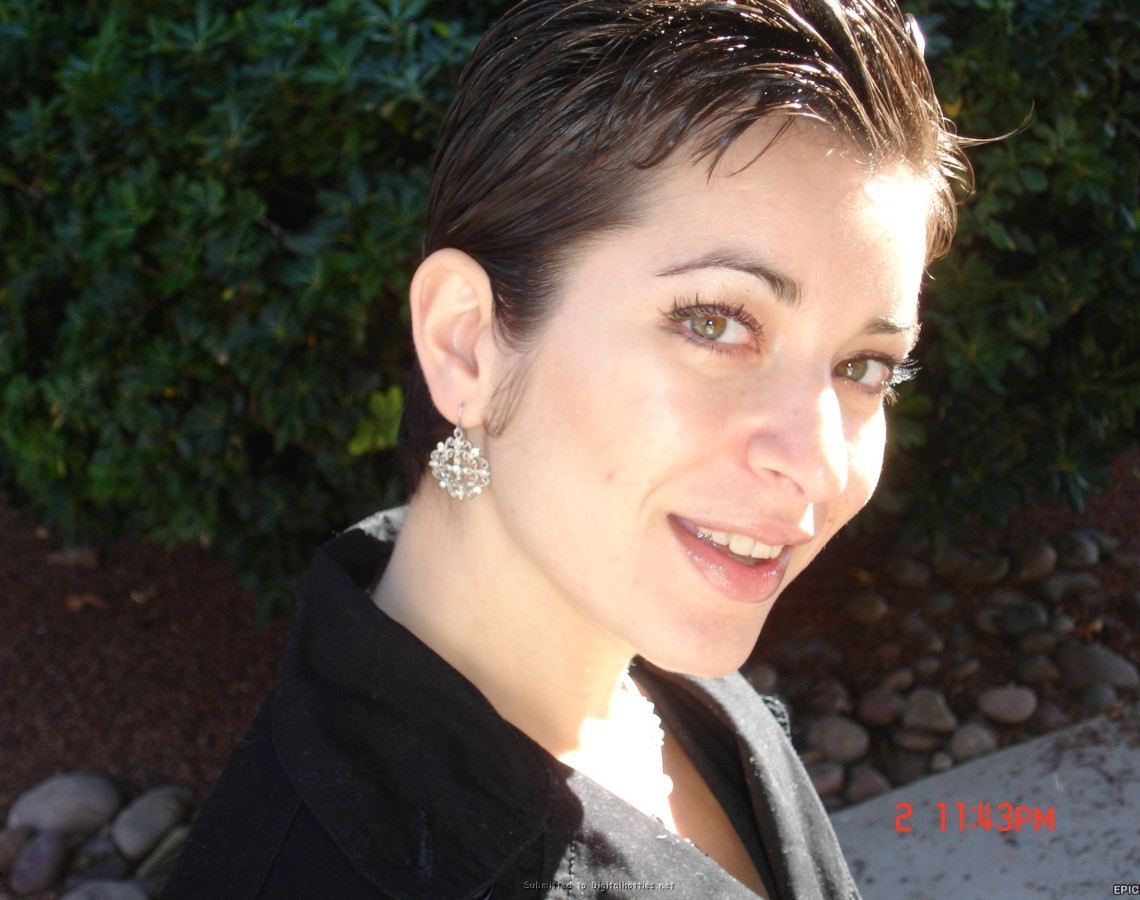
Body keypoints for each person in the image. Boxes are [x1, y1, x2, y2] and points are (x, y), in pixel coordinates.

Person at [165, 1, 969, 897]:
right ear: (466, 343)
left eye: (863, 366)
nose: (820, 465)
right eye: (715, 322)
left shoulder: (630, 621)